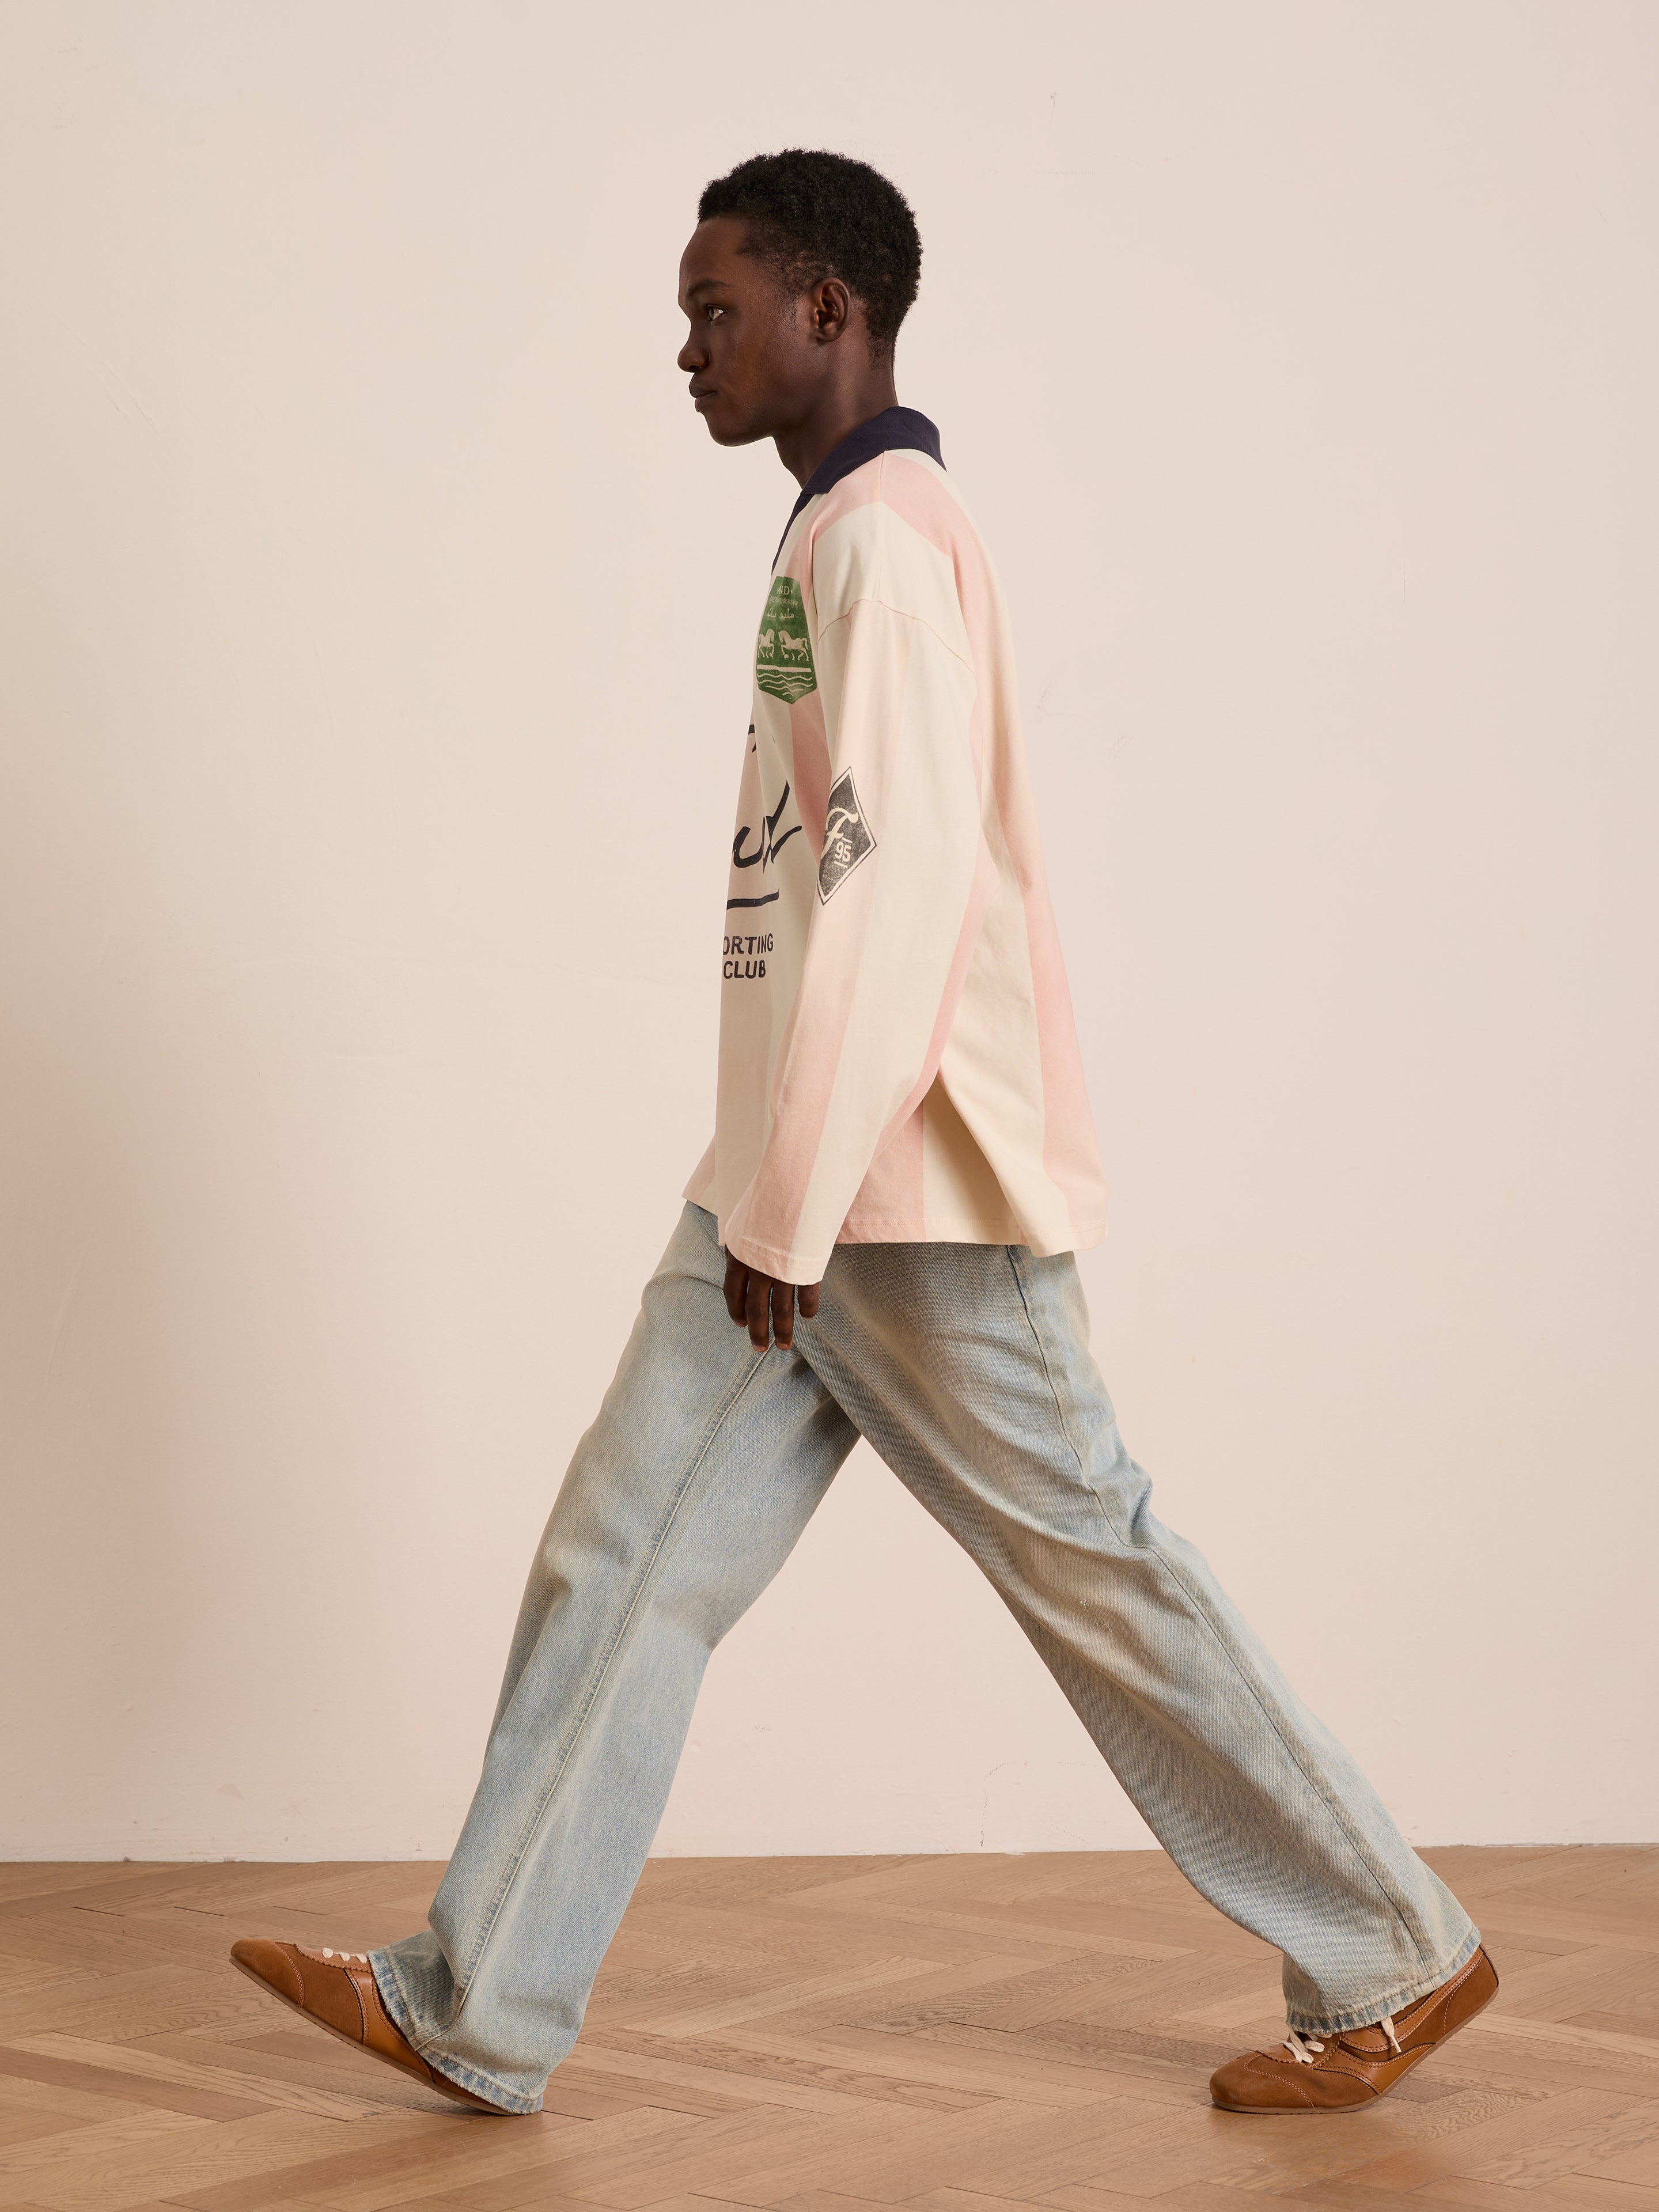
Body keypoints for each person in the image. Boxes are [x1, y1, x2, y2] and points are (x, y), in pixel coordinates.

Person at [231, 148, 1496, 2119]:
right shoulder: (831, 532)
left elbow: (896, 900)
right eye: (684, 315)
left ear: (833, 312)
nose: (686, 347)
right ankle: (478, 1996)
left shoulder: (888, 540)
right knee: (623, 1558)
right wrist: (766, 1186)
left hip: (892, 1201)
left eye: (715, 310)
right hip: (783, 1195)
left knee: (1098, 1564)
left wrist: (799, 1197)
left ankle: (1395, 1944)